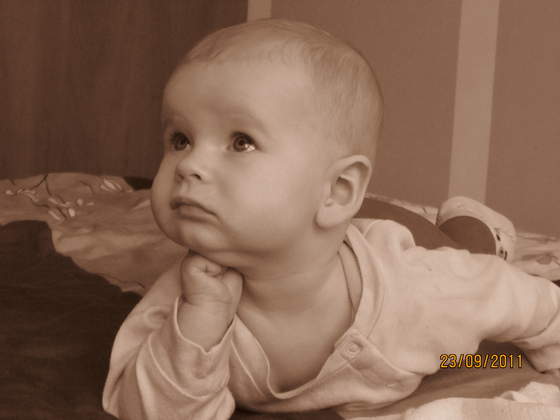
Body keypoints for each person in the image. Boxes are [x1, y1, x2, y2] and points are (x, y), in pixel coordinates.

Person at [102, 19, 559, 419]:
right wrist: (198, 326)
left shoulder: (424, 288)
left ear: (337, 189)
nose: (189, 165)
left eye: (241, 141)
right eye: (180, 139)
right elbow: (145, 407)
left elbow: (532, 303)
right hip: (338, 224)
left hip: (407, 236)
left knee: (467, 252)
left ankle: (474, 222)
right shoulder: (186, 300)